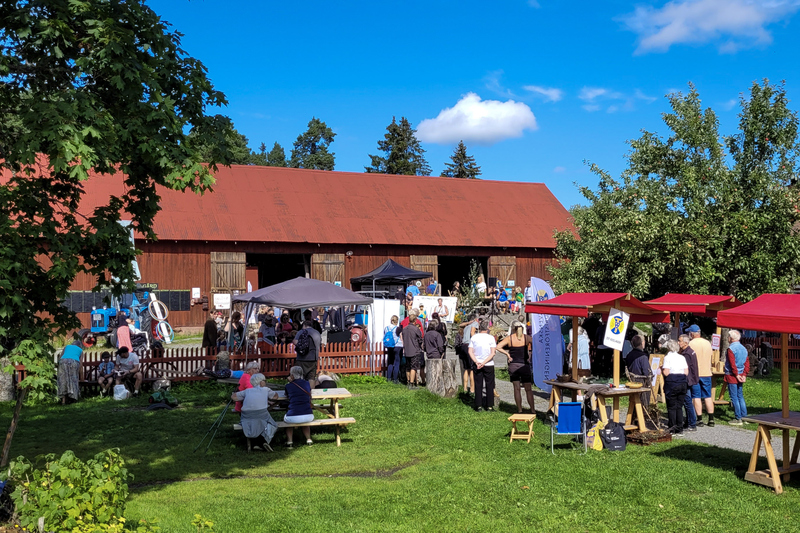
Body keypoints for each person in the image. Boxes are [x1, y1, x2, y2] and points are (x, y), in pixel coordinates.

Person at [231, 373, 279, 451]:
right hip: (261, 414)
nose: (265, 382)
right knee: (273, 424)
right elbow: (275, 397)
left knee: (254, 423)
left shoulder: (247, 391)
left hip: (246, 415)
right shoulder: (266, 389)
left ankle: (256, 444)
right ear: (261, 382)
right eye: (264, 380)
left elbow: (234, 397)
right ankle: (264, 440)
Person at [496, 321, 535, 413]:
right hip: (524, 365)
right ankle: (533, 410)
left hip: (513, 365)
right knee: (528, 389)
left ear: (512, 329)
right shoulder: (526, 338)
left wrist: (507, 354)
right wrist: (531, 353)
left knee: (516, 388)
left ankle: (519, 409)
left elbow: (498, 347)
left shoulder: (510, 338)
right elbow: (537, 344)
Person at [688, 324, 715, 427]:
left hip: (696, 374)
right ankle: (711, 418)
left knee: (696, 396)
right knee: (708, 396)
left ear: (692, 334)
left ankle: (699, 419)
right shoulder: (708, 343)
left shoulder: (691, 343)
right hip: (707, 372)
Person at [661, 339, 688, 436]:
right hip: (682, 382)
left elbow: (666, 373)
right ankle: (680, 428)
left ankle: (672, 427)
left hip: (672, 382)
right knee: (679, 406)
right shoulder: (682, 357)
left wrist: (662, 369)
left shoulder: (667, 358)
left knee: (672, 407)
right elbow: (686, 372)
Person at [284, 365, 315, 447]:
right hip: (308, 415)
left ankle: (290, 441)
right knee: (304, 418)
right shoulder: (307, 384)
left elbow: (287, 395)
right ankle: (308, 439)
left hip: (293, 416)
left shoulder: (288, 386)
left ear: (292, 375)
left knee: (288, 421)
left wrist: (290, 382)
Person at [468, 320, 496, 411]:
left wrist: (476, 362)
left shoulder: (474, 337)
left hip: (478, 363)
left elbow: (470, 351)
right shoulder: (491, 338)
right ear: (487, 328)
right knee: (489, 384)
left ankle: (478, 404)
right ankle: (489, 405)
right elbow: (493, 353)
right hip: (488, 363)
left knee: (478, 384)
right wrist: (484, 362)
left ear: (479, 328)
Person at [724, 329, 749, 425]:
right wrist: (744, 374)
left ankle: (738, 418)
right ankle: (745, 417)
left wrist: (736, 374)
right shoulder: (744, 348)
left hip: (732, 374)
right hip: (741, 374)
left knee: (734, 397)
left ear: (730, 338)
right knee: (740, 396)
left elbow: (732, 363)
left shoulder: (731, 349)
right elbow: (747, 363)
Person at [58, 337, 88, 404]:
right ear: (79, 346)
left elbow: (60, 357)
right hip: (73, 362)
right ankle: (73, 399)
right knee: (73, 379)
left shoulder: (67, 347)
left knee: (63, 380)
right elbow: (81, 365)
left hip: (63, 361)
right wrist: (82, 379)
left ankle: (63, 400)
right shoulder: (80, 350)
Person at [678, 334, 699, 431]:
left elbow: (684, 368)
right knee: (687, 401)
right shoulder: (690, 351)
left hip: (687, 379)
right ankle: (688, 422)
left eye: (680, 341)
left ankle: (692, 423)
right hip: (691, 379)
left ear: (685, 342)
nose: (678, 343)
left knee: (687, 402)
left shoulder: (686, 354)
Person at [625, 335, 652, 406]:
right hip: (642, 384)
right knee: (644, 404)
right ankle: (643, 415)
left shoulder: (629, 355)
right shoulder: (643, 357)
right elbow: (647, 373)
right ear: (642, 343)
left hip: (632, 383)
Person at [401, 310, 424, 389]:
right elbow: (420, 339)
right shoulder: (416, 329)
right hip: (414, 350)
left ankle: (408, 381)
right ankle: (411, 384)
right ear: (415, 321)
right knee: (413, 367)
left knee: (408, 367)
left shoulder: (404, 329)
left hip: (407, 350)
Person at [459, 314, 479, 393]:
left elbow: (460, 325)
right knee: (471, 369)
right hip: (469, 345)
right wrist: (477, 341)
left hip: (463, 345)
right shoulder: (475, 324)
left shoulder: (466, 325)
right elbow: (472, 333)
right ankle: (472, 389)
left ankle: (464, 388)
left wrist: (467, 323)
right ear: (474, 319)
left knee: (466, 368)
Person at [385, 316, 402, 384]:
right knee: (397, 362)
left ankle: (389, 377)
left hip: (389, 346)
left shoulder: (386, 328)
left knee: (390, 362)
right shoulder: (398, 328)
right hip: (398, 346)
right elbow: (401, 336)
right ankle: (395, 379)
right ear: (397, 321)